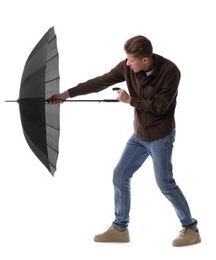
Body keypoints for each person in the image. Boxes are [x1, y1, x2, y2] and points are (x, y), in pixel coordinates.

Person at [47, 35, 201, 246]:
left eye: (131, 60)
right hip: (139, 135)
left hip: (160, 136)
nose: (127, 64)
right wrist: (66, 94)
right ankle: (120, 228)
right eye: (127, 60)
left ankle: (191, 229)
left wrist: (130, 100)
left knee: (165, 182)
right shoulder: (127, 67)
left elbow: (160, 107)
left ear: (145, 60)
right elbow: (100, 81)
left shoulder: (170, 71)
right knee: (120, 174)